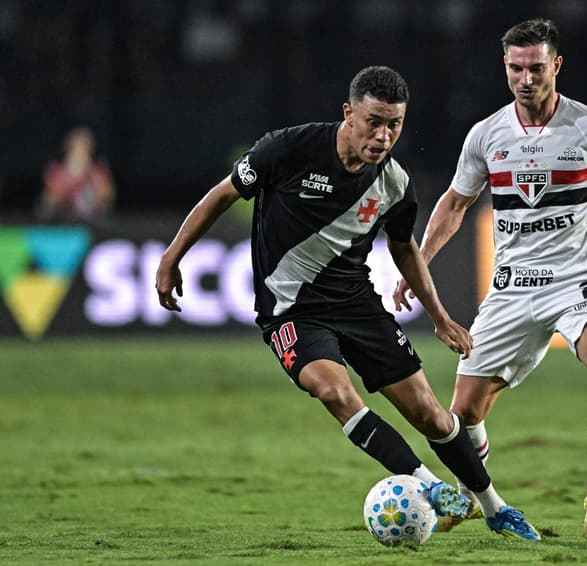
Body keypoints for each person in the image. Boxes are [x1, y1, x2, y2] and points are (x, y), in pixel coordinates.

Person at [155, 66, 540, 541]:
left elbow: (404, 248)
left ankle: (495, 507)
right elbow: (222, 194)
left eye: (394, 125)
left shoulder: (396, 183)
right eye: (374, 122)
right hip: (291, 310)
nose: (383, 136)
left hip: (357, 304)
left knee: (431, 414)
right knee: (334, 391)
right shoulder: (288, 149)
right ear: (348, 113)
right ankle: (431, 487)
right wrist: (172, 257)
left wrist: (439, 316)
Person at [394, 20, 587, 538]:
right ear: (504, 67)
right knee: (463, 413)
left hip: (578, 278)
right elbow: (456, 203)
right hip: (511, 286)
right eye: (515, 68)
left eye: (535, 67)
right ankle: (469, 496)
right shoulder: (487, 134)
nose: (525, 79)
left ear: (556, 66)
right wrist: (422, 261)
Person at [37, 126, 115, 224]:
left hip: (93, 221)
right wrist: (70, 181)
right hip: (64, 222)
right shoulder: (57, 171)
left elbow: (107, 197)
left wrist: (91, 178)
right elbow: (48, 201)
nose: (81, 152)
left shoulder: (97, 171)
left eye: (84, 148)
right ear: (69, 149)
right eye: (77, 147)